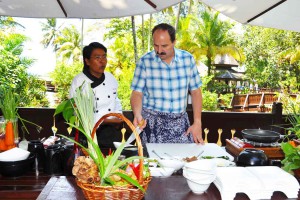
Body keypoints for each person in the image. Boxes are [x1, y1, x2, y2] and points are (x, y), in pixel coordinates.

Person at [130, 23, 204, 144]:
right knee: (153, 162)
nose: (159, 51)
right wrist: (137, 114)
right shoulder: (145, 61)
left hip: (180, 124)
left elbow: (196, 92)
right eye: (156, 45)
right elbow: (137, 93)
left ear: (174, 42)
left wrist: (197, 122)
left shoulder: (187, 59)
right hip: (152, 125)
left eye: (164, 46)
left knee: (184, 160)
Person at [69, 42, 123, 148]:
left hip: (110, 135)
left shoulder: (110, 78)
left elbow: (115, 100)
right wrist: (105, 120)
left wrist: (119, 116)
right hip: (88, 136)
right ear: (87, 61)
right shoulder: (79, 81)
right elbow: (76, 112)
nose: (102, 61)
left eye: (104, 57)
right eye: (97, 57)